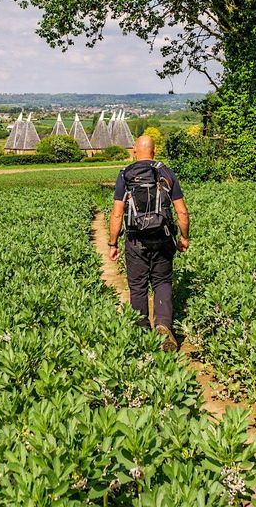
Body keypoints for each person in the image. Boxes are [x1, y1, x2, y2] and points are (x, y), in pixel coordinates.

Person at [108, 134, 189, 352]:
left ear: (135, 151)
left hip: (135, 240)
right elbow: (181, 211)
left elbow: (116, 214)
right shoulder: (165, 172)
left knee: (138, 285)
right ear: (154, 152)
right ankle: (163, 324)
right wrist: (183, 237)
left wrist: (113, 243)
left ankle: (142, 331)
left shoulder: (125, 175)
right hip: (162, 237)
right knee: (162, 282)